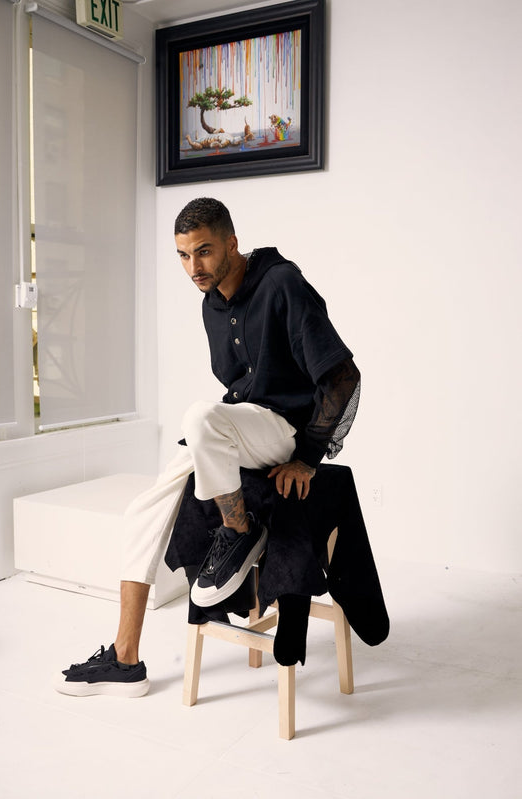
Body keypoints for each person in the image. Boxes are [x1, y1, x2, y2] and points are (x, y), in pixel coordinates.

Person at [54, 197, 360, 697]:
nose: (193, 267)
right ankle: (126, 658)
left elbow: (343, 375)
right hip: (240, 428)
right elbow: (238, 390)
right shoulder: (212, 305)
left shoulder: (281, 283)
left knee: (200, 417)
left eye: (204, 251)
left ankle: (238, 531)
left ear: (231, 244)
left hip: (282, 430)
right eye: (183, 255)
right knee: (142, 510)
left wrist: (308, 457)